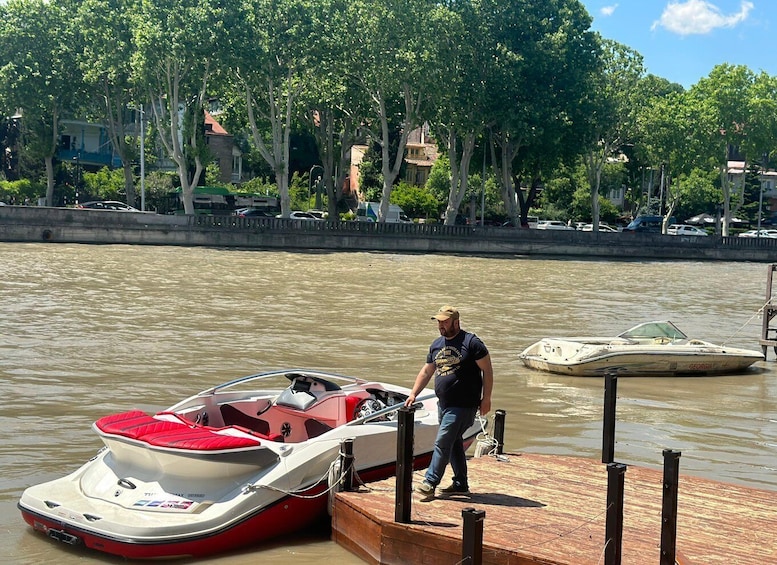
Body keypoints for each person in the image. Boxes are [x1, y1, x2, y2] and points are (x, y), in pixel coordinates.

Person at [404, 305, 493, 499]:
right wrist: (413, 394)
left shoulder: (471, 342)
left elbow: (487, 369)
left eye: (445, 321)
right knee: (453, 443)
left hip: (464, 405)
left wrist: (486, 398)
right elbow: (427, 371)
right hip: (443, 404)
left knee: (443, 441)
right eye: (439, 322)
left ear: (456, 322)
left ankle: (430, 482)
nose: (441, 325)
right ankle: (460, 484)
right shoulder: (437, 344)